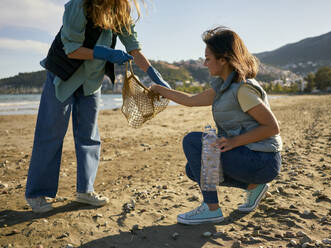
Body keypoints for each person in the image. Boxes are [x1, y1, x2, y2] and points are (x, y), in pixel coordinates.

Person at [25, 0, 169, 213]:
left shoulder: (121, 8)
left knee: (89, 135)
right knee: (51, 132)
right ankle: (37, 193)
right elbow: (71, 49)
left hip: (92, 79)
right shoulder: (79, 5)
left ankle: (85, 190)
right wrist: (105, 53)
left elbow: (134, 48)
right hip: (63, 73)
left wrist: (153, 74)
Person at [150, 27, 282, 225]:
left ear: (223, 59)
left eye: (208, 58)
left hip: (262, 159)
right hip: (252, 157)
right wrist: (160, 90)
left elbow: (272, 127)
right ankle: (253, 186)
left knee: (193, 141)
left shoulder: (242, 89)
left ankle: (211, 209)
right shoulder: (224, 87)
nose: (204, 63)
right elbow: (191, 100)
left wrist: (233, 141)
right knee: (192, 169)